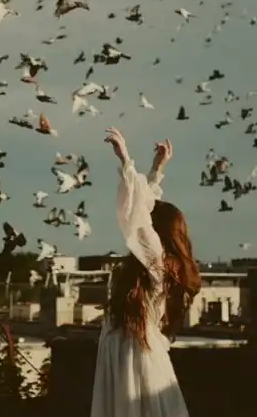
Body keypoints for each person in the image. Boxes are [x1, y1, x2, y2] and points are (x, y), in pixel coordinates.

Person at [91, 127, 201, 417]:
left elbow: (137, 217)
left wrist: (126, 161)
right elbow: (142, 211)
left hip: (134, 357)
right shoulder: (154, 263)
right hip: (131, 354)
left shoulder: (156, 262)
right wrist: (156, 170)